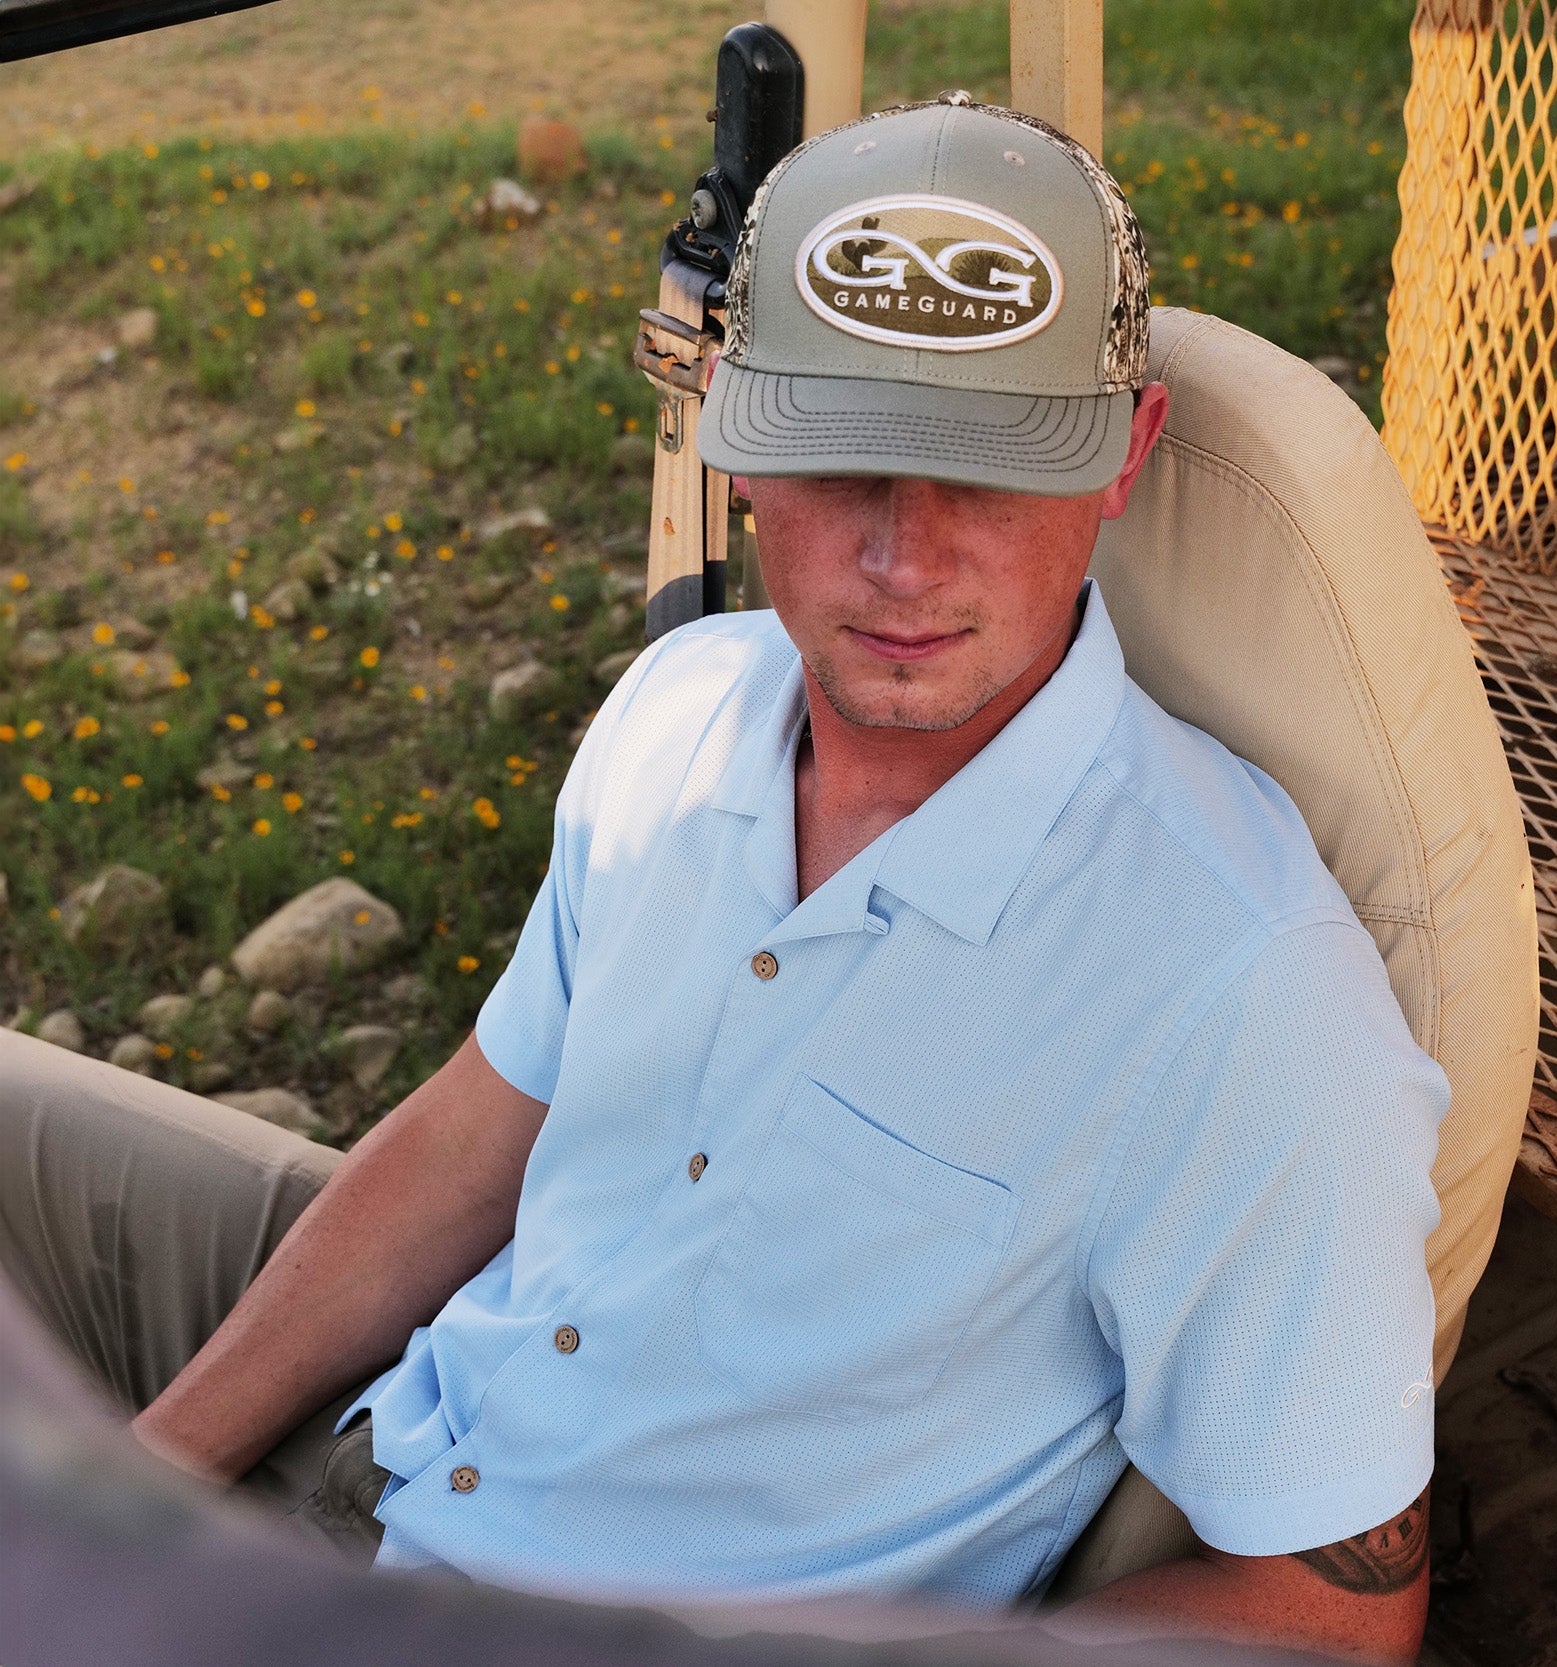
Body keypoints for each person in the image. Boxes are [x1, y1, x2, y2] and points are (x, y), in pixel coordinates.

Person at [0, 96, 1446, 1661]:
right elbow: (487, 1131)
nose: (904, 556)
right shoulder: (680, 702)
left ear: (1126, 454)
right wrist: (145, 1490)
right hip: (414, 1426)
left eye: (987, 470)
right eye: (839, 457)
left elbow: (1329, 1616)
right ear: (733, 435)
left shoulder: (1241, 991)